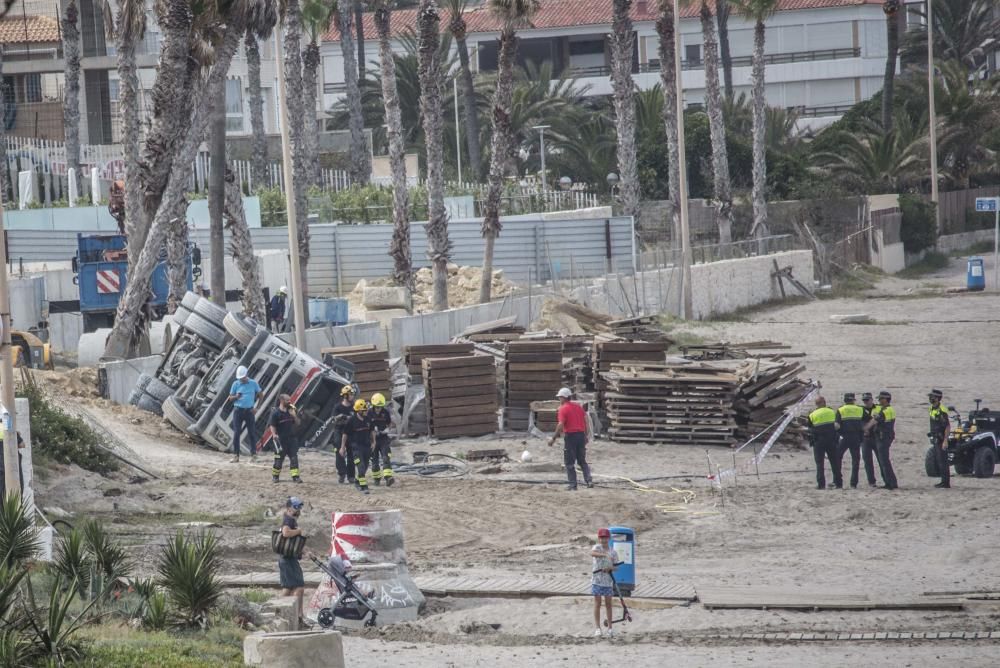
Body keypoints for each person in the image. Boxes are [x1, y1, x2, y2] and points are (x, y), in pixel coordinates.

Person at [547, 387, 593, 491]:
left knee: (569, 462)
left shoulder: (563, 409)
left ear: (564, 397)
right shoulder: (578, 407)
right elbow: (586, 421)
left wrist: (553, 438)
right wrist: (586, 435)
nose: (559, 399)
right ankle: (589, 480)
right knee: (582, 461)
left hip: (571, 437)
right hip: (581, 436)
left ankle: (573, 485)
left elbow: (560, 425)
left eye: (560, 397)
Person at [278, 497, 307, 615]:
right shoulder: (288, 520)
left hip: (285, 559)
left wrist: (306, 551)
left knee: (288, 588)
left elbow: (293, 541)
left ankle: (280, 612)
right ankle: (298, 615)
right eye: (296, 507)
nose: (299, 510)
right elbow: (286, 533)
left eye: (300, 507)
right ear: (289, 508)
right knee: (299, 588)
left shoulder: (290, 519)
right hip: (288, 560)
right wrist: (299, 531)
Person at [227, 365, 262, 463]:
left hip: (249, 411)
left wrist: (257, 408)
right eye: (240, 378)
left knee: (251, 432)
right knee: (237, 433)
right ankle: (236, 456)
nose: (241, 380)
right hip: (238, 411)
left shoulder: (253, 383)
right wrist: (236, 397)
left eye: (242, 378)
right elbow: (229, 398)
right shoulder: (236, 384)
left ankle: (253, 455)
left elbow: (261, 395)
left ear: (246, 375)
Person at [865, 390, 898, 490]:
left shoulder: (886, 411)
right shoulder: (888, 409)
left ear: (885, 399)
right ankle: (890, 482)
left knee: (884, 461)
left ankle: (890, 483)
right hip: (885, 437)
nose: (879, 400)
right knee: (884, 461)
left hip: (883, 437)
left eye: (880, 399)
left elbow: (875, 420)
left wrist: (865, 428)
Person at [807, 395, 842, 490]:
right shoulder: (832, 412)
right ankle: (839, 483)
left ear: (816, 404)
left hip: (819, 442)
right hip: (831, 440)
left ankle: (821, 485)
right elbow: (837, 425)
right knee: (835, 462)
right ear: (824, 402)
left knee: (819, 463)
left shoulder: (812, 415)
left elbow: (809, 429)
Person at [590, 528, 619, 638]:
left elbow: (616, 567)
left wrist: (610, 568)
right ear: (599, 538)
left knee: (608, 605)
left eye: (605, 537)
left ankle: (610, 628)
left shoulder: (613, 551)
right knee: (597, 604)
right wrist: (604, 555)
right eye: (601, 537)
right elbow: (591, 553)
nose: (603, 540)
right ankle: (598, 628)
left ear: (609, 538)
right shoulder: (597, 548)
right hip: (596, 580)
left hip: (608, 582)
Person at [341, 399, 373, 494]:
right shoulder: (351, 421)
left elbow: (372, 431)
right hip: (356, 447)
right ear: (358, 410)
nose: (366, 411)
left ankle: (357, 481)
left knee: (366, 466)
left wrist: (374, 442)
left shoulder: (368, 419)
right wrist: (342, 447)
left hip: (367, 446)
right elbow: (345, 434)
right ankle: (364, 486)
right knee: (361, 466)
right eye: (364, 410)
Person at [270, 394, 302, 484]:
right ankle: (275, 477)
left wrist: (294, 416)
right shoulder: (276, 413)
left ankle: (296, 477)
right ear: (281, 400)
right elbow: (272, 425)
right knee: (278, 460)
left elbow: (298, 423)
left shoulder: (291, 410)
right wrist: (274, 435)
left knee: (294, 459)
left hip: (292, 439)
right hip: (281, 440)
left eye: (289, 400)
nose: (289, 402)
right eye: (287, 400)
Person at [835, 393, 865, 489]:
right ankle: (853, 483)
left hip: (845, 437)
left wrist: (838, 434)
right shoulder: (860, 409)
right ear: (853, 400)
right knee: (856, 460)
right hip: (856, 437)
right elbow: (866, 421)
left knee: (838, 457)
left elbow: (837, 426)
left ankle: (838, 482)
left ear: (845, 400)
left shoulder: (841, 410)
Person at [367, 393, 395, 487]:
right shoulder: (369, 413)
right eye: (377, 407)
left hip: (383, 439)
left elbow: (390, 423)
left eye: (380, 407)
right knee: (374, 461)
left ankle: (388, 478)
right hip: (372, 440)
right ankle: (376, 479)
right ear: (373, 405)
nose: (379, 409)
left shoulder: (385, 412)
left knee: (386, 457)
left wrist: (388, 429)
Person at [332, 386, 356, 484]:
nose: (352, 396)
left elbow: (356, 418)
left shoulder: (354, 406)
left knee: (351, 454)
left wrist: (348, 418)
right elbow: (333, 419)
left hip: (350, 433)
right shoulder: (337, 407)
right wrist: (339, 417)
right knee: (339, 452)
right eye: (351, 394)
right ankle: (342, 474)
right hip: (339, 431)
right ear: (345, 396)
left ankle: (351, 476)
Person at [928, 389, 951, 489]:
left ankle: (945, 483)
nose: (930, 398)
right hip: (935, 437)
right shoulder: (932, 408)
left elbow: (947, 426)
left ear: (937, 398)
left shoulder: (942, 410)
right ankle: (943, 481)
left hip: (941, 438)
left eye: (932, 397)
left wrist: (945, 440)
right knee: (939, 459)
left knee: (943, 461)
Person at [860, 392, 879, 488]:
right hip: (865, 438)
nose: (866, 402)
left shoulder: (878, 408)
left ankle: (886, 480)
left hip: (877, 437)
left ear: (872, 399)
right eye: (864, 400)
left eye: (867, 400)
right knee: (867, 461)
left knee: (881, 460)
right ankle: (871, 481)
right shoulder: (860, 410)